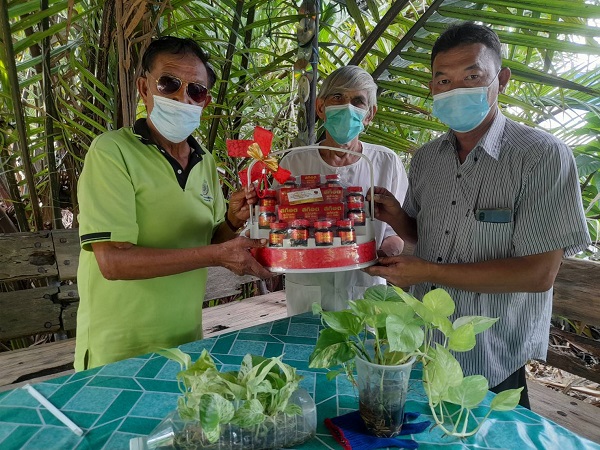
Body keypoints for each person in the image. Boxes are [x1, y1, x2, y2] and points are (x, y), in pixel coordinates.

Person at [364, 22, 591, 408]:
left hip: (494, 354)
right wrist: (397, 216)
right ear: (432, 88)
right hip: (426, 345)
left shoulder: (541, 156)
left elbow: (539, 274)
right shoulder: (426, 160)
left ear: (500, 80)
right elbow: (426, 236)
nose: (456, 90)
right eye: (444, 80)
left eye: (472, 76)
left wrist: (429, 272)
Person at [75, 36, 272, 371]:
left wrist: (232, 222)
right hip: (119, 348)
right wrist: (216, 255)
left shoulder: (205, 160)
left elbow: (208, 240)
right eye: (169, 84)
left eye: (195, 90)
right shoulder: (112, 152)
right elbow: (113, 263)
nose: (183, 97)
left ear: (205, 101)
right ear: (144, 87)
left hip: (185, 343)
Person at [279, 65, 409, 315]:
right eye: (337, 97)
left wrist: (384, 252)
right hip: (308, 291)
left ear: (369, 114)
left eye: (357, 101)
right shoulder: (293, 163)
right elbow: (276, 221)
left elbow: (396, 233)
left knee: (363, 350)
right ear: (320, 108)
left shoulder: (386, 163)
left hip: (364, 289)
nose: (347, 107)